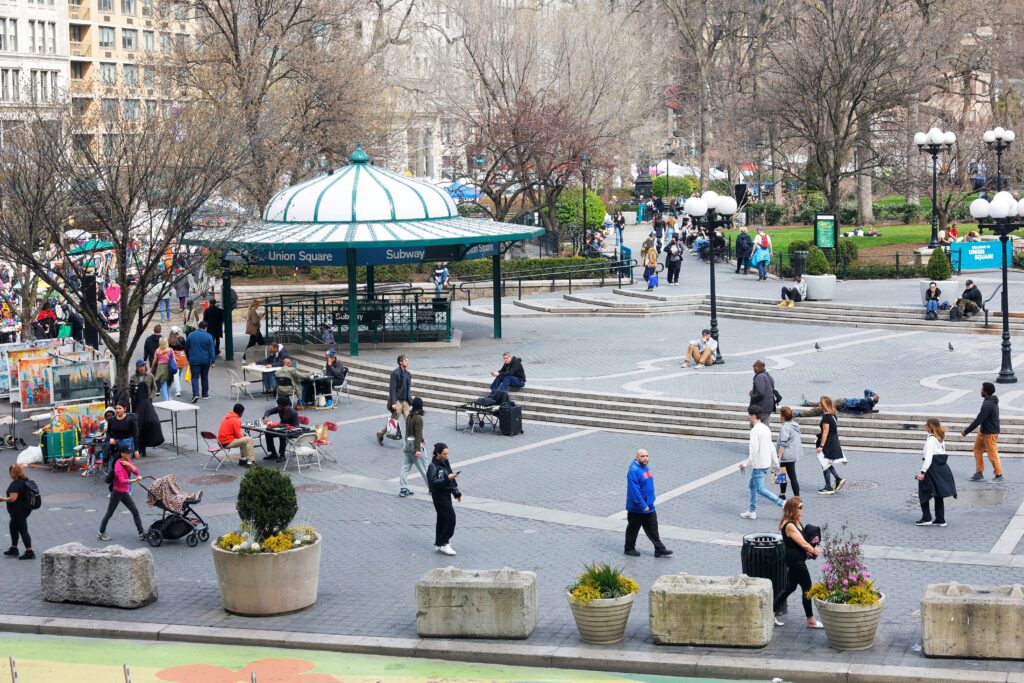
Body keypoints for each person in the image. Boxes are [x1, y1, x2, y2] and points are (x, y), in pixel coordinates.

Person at [771, 498, 823, 629]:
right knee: (808, 587)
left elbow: (805, 539)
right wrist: (815, 551)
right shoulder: (789, 525)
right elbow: (803, 544)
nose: (802, 509)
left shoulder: (796, 521)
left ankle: (771, 614)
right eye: (800, 507)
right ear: (793, 509)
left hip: (797, 559)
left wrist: (814, 543)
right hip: (795, 561)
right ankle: (810, 620)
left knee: (790, 587)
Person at [623, 448, 673, 557]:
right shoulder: (634, 471)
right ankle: (629, 548)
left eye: (646, 456)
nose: (645, 458)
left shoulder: (646, 468)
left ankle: (659, 548)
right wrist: (642, 504)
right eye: (642, 456)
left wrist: (650, 501)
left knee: (653, 528)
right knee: (633, 528)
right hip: (637, 508)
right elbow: (634, 491)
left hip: (649, 506)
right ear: (637, 457)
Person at [739, 408, 784, 519]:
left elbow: (754, 451)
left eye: (749, 415)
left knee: (759, 488)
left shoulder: (754, 431)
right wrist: (775, 462)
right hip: (766, 463)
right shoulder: (765, 428)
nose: (748, 417)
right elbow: (771, 446)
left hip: (758, 464)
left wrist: (745, 464)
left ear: (754, 416)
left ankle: (782, 503)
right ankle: (751, 510)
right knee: (752, 485)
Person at [97, 446, 145, 542]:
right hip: (117, 492)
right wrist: (134, 480)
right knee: (109, 513)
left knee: (135, 511)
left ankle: (141, 533)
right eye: (127, 453)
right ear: (122, 454)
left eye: (130, 453)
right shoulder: (118, 464)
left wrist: (130, 465)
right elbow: (122, 480)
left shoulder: (128, 461)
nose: (129, 455)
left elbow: (137, 472)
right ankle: (101, 533)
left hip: (125, 492)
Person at [917, 418, 957, 526]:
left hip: (931, 469)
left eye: (926, 425)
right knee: (938, 494)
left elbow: (928, 458)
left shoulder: (930, 439)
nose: (925, 426)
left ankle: (926, 518)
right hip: (942, 468)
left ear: (930, 426)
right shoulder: (940, 438)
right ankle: (940, 519)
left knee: (923, 492)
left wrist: (922, 472)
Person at [962, 382, 1002, 482]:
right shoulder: (988, 401)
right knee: (977, 449)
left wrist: (966, 431)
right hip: (983, 431)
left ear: (986, 391)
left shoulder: (988, 404)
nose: (981, 391)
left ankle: (999, 475)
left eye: (982, 389)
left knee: (992, 455)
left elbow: (979, 420)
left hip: (990, 433)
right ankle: (979, 472)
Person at [427, 442, 460, 556]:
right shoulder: (432, 466)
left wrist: (456, 493)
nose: (447, 456)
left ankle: (439, 542)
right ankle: (444, 542)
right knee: (450, 517)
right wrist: (447, 478)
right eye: (444, 454)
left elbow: (451, 476)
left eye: (447, 453)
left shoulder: (445, 462)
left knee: (442, 518)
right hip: (438, 494)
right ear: (438, 454)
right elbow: (433, 483)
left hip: (446, 493)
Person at [377, 355, 412, 446]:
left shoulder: (408, 374)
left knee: (409, 420)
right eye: (405, 361)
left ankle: (407, 441)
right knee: (393, 421)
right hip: (398, 401)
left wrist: (410, 401)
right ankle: (380, 433)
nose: (407, 362)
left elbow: (408, 389)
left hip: (406, 402)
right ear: (400, 362)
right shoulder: (395, 373)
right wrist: (393, 403)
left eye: (407, 360)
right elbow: (392, 388)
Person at [815, 396, 846, 495]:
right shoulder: (833, 415)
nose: (818, 404)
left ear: (824, 405)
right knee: (827, 463)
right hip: (834, 441)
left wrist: (821, 446)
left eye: (820, 403)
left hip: (828, 443)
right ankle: (837, 479)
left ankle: (828, 486)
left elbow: (825, 432)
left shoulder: (826, 417)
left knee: (824, 464)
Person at [3, 464, 34, 560]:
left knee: (23, 530)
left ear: (13, 473)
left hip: (18, 511)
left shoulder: (15, 484)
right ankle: (14, 548)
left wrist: (2, 499)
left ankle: (29, 552)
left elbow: (12, 499)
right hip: (25, 509)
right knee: (13, 527)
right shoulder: (26, 481)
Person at [400, 397, 428, 497]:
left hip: (407, 444)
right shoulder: (419, 418)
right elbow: (417, 434)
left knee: (405, 467)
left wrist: (422, 438)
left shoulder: (409, 415)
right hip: (414, 446)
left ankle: (403, 488)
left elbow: (411, 432)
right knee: (424, 468)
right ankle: (432, 489)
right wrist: (418, 449)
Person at [184, 321, 215, 403]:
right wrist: (213, 361)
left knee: (194, 377)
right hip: (205, 360)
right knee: (204, 376)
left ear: (198, 326)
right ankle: (205, 394)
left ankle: (196, 394)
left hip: (194, 360)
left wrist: (188, 357)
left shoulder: (191, 335)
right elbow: (212, 350)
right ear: (206, 328)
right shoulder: (209, 336)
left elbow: (186, 347)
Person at [262, 396, 300, 462]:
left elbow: (295, 426)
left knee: (282, 435)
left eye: (280, 406)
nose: (278, 407)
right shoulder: (280, 408)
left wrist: (280, 425)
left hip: (292, 431)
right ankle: (273, 453)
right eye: (278, 405)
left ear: (285, 406)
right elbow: (268, 411)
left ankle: (282, 455)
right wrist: (266, 417)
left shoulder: (293, 413)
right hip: (281, 429)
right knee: (268, 433)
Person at [776, 406, 802, 499]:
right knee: (791, 476)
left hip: (785, 456)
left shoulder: (785, 427)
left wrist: (778, 458)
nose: (779, 416)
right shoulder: (795, 425)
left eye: (780, 414)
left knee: (783, 475)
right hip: (792, 454)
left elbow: (783, 443)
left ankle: (793, 497)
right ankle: (792, 496)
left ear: (783, 416)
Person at [218, 403, 255, 467]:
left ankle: (243, 460)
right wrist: (243, 436)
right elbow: (238, 436)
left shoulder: (227, 416)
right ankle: (250, 461)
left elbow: (236, 434)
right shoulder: (235, 420)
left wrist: (242, 436)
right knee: (249, 439)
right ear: (241, 412)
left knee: (244, 439)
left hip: (221, 441)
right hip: (227, 442)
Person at [797, 390, 879, 417]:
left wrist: (873, 398)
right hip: (842, 402)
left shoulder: (866, 403)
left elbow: (866, 393)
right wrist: (874, 397)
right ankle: (805, 403)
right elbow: (866, 390)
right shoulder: (867, 402)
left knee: (821, 408)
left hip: (841, 404)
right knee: (824, 403)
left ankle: (801, 412)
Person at [748, 359, 777, 424]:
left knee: (756, 428)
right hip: (768, 407)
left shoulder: (759, 377)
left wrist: (752, 395)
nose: (753, 368)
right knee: (765, 428)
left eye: (754, 366)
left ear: (758, 367)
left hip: (760, 409)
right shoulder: (769, 376)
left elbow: (760, 393)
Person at [168, 327, 187, 397]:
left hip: (174, 358)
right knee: (180, 374)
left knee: (175, 374)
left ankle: (178, 390)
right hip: (182, 357)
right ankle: (179, 387)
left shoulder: (170, 340)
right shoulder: (182, 339)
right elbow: (185, 348)